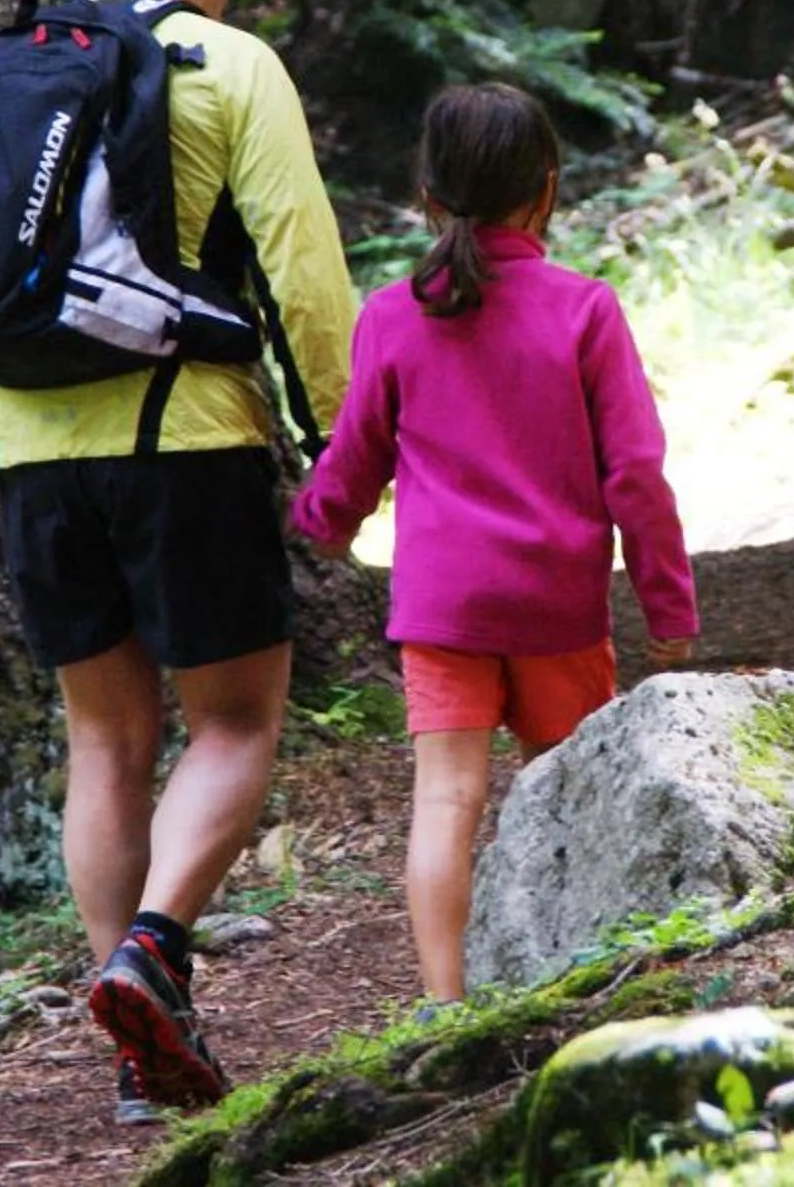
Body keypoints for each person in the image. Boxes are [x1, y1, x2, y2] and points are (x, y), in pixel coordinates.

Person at [0, 0, 355, 1125]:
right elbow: (302, 271)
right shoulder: (229, 65)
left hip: (31, 459)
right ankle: (153, 948)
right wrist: (341, 436)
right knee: (234, 721)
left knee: (106, 739)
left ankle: (138, 1054)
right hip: (187, 441)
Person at [290, 82, 698, 1004]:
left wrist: (320, 523)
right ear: (547, 188)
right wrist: (668, 609)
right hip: (558, 604)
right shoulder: (584, 309)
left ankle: (444, 1005)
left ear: (427, 194)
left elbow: (355, 456)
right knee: (568, 787)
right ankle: (581, 972)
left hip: (443, 609)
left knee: (446, 799)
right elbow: (636, 472)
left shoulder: (392, 315)